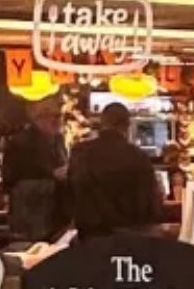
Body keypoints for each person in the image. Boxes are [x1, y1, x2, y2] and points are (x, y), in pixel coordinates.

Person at [66, 101, 162, 241]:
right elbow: (150, 206)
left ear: (101, 123)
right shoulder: (138, 157)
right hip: (129, 240)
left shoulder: (80, 153)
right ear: (127, 126)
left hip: (89, 240)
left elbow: (70, 197)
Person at [1, 100, 67, 242]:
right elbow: (10, 180)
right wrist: (53, 176)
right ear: (39, 118)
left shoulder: (58, 140)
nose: (58, 120)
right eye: (53, 116)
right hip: (31, 213)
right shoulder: (21, 142)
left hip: (56, 211)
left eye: (59, 116)